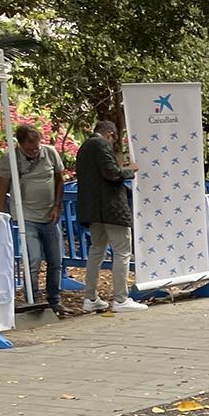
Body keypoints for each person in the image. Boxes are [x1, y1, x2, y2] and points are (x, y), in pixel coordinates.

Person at [0, 124, 68, 313]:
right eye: (29, 149)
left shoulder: (50, 153)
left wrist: (57, 206)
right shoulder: (9, 158)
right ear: (20, 144)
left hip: (49, 215)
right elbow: (2, 187)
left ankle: (54, 299)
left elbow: (60, 179)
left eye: (37, 147)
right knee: (33, 259)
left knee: (55, 261)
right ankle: (32, 299)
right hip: (26, 216)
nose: (35, 152)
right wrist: (2, 215)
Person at [75, 121, 145, 312]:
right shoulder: (101, 145)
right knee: (122, 251)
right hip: (111, 209)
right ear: (109, 134)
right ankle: (121, 299)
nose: (114, 143)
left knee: (96, 251)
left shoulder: (84, 148)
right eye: (114, 139)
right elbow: (111, 173)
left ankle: (90, 298)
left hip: (93, 209)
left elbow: (98, 179)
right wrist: (130, 169)